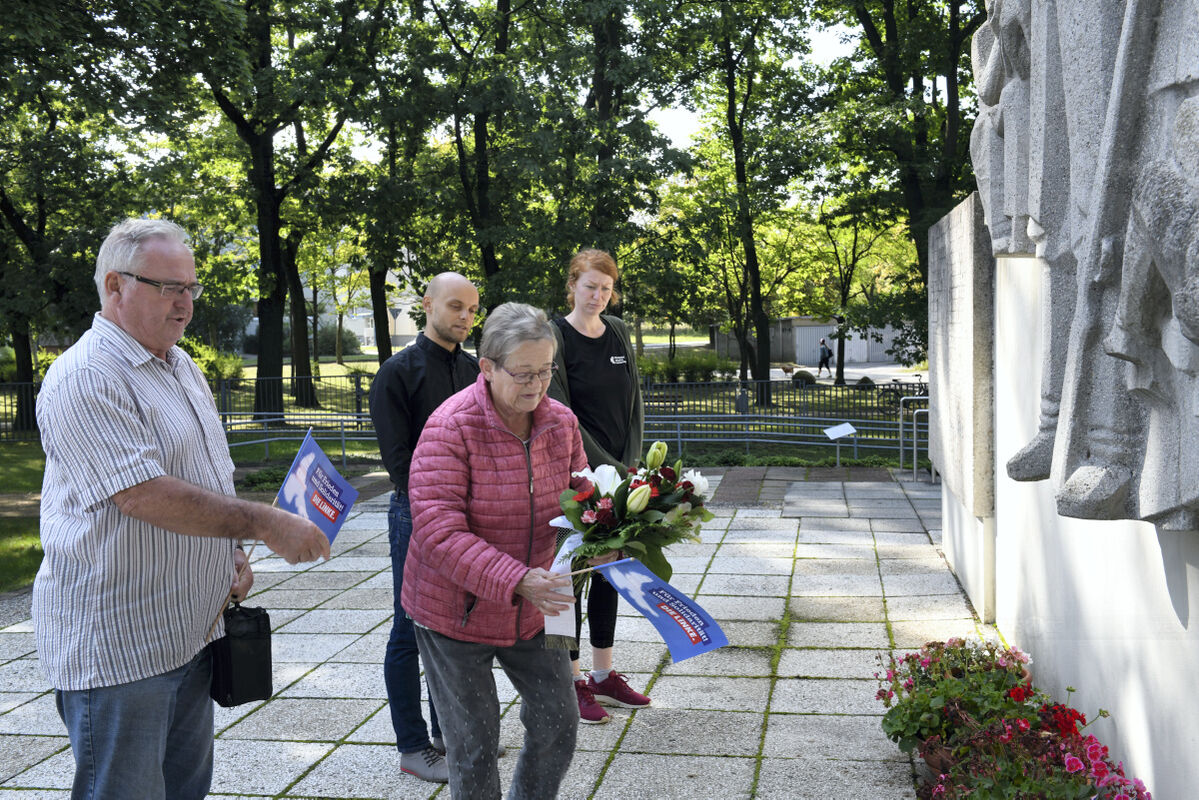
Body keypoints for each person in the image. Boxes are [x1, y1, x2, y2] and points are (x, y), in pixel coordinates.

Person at [33, 218, 330, 800]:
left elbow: (203, 475)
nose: (185, 304)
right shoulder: (86, 377)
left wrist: (231, 552)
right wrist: (264, 522)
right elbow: (142, 494)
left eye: (191, 289)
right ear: (115, 287)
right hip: (121, 650)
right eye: (168, 288)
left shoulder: (179, 364)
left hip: (190, 633)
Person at [404, 302, 588, 799]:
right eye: (523, 373)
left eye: (546, 371)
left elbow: (582, 502)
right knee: (473, 745)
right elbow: (439, 531)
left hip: (539, 606)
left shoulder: (561, 423)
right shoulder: (452, 426)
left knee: (558, 723)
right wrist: (517, 579)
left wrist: (602, 543)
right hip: (454, 613)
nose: (537, 385)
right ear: (487, 367)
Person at [368, 272, 481, 783]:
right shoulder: (397, 373)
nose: (464, 317)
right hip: (417, 515)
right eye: (455, 306)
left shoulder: (478, 370)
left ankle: (447, 736)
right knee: (409, 628)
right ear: (427, 304)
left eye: (472, 310)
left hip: (468, 514)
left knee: (454, 626)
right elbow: (399, 463)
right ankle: (413, 746)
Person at [546, 248, 650, 725]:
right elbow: (563, 412)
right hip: (576, 478)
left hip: (621, 476)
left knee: (612, 571)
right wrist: (605, 469)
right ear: (572, 286)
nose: (598, 296)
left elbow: (634, 405)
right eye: (590, 286)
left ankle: (604, 675)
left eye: (606, 289)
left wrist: (630, 466)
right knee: (572, 579)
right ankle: (570, 683)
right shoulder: (556, 335)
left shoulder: (620, 332)